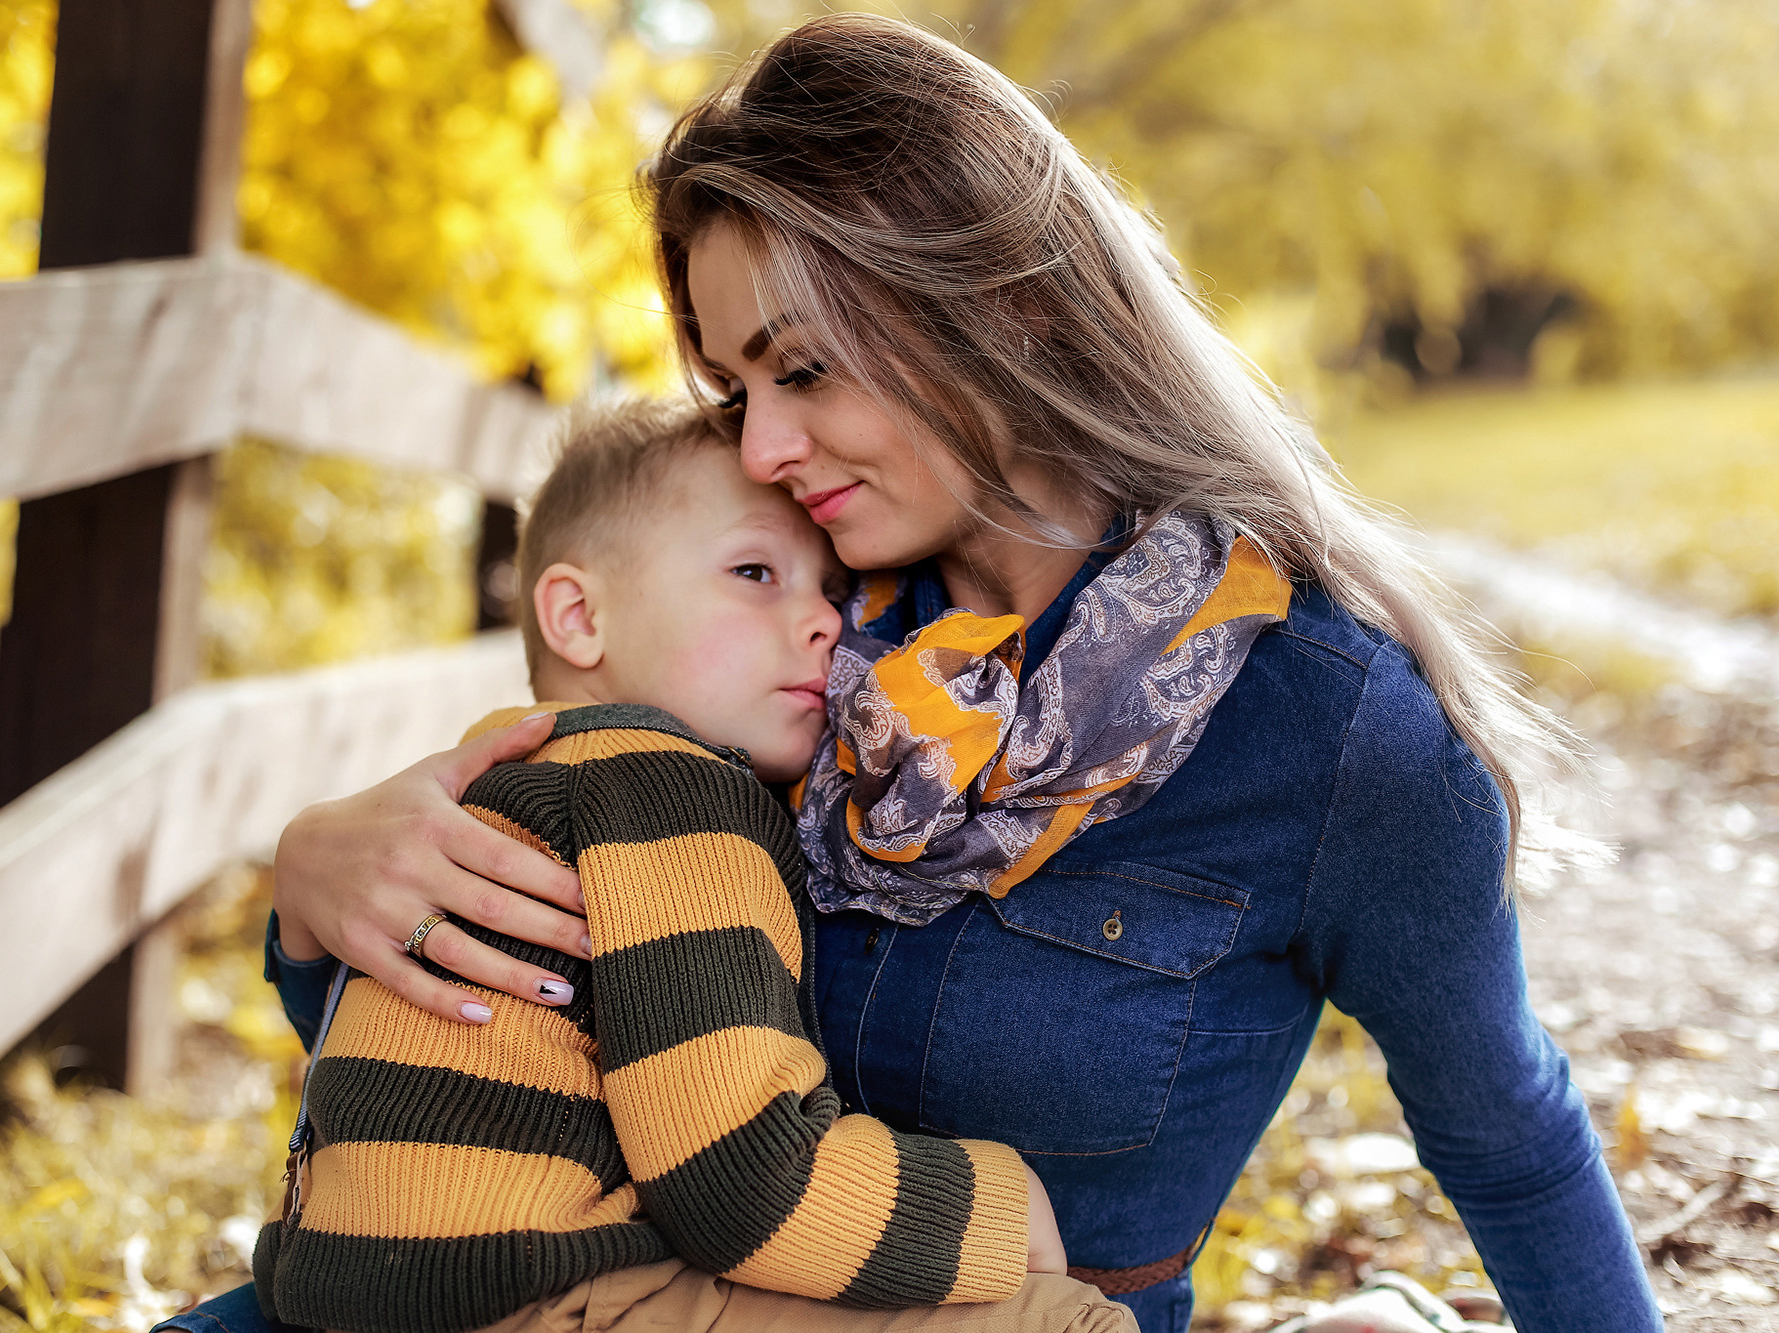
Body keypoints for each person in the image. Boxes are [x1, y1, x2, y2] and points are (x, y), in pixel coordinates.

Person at [267, 16, 1661, 1332]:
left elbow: (1510, 1139)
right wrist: (322, 895)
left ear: (1006, 307)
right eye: (738, 391)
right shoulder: (775, 642)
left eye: (802, 370)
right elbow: (493, 1063)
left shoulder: (1329, 728)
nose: (758, 450)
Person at [252, 400, 1131, 1333]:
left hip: (352, 1293)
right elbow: (740, 1180)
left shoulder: (495, 781)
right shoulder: (665, 784)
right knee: (1064, 1323)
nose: (823, 623)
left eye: (832, 591)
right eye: (755, 572)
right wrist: (997, 1206)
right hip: (543, 1295)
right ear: (578, 616)